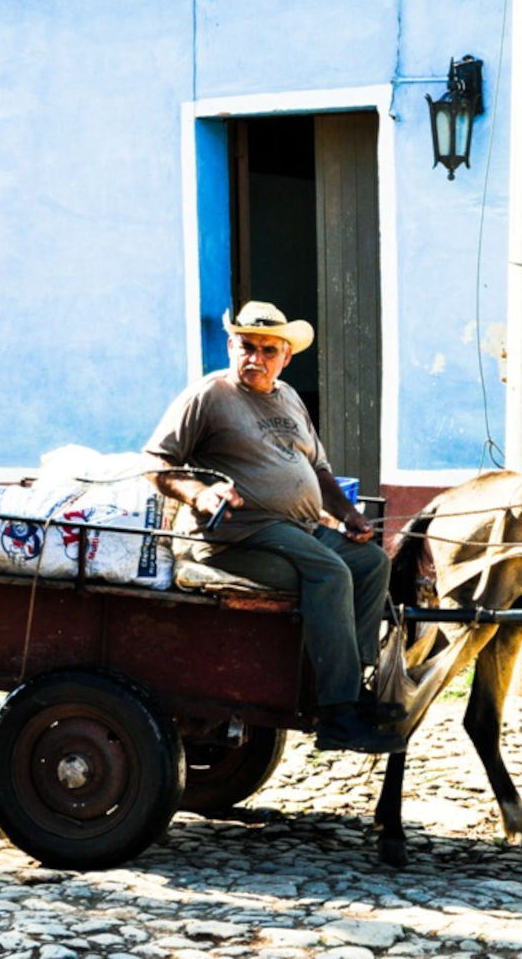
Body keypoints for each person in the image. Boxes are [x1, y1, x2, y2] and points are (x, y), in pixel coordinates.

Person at [143, 300, 405, 755]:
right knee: (329, 572)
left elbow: (319, 471)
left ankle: (353, 685)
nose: (255, 359)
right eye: (247, 347)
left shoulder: (289, 398)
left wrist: (349, 515)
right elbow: (154, 464)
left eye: (268, 350)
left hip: (295, 528)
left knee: (369, 563)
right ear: (230, 345)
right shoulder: (209, 396)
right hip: (236, 536)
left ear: (286, 357)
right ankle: (336, 714)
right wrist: (200, 494)